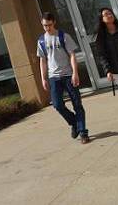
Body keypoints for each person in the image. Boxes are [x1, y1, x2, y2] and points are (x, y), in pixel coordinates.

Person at [37, 12, 89, 144]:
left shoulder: (63, 36)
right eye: (44, 25)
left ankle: (83, 132)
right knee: (57, 105)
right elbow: (43, 60)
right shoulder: (41, 40)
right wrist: (43, 78)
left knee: (77, 103)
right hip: (53, 77)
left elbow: (72, 55)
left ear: (53, 22)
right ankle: (74, 122)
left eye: (49, 25)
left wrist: (75, 73)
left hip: (67, 75)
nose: (47, 28)